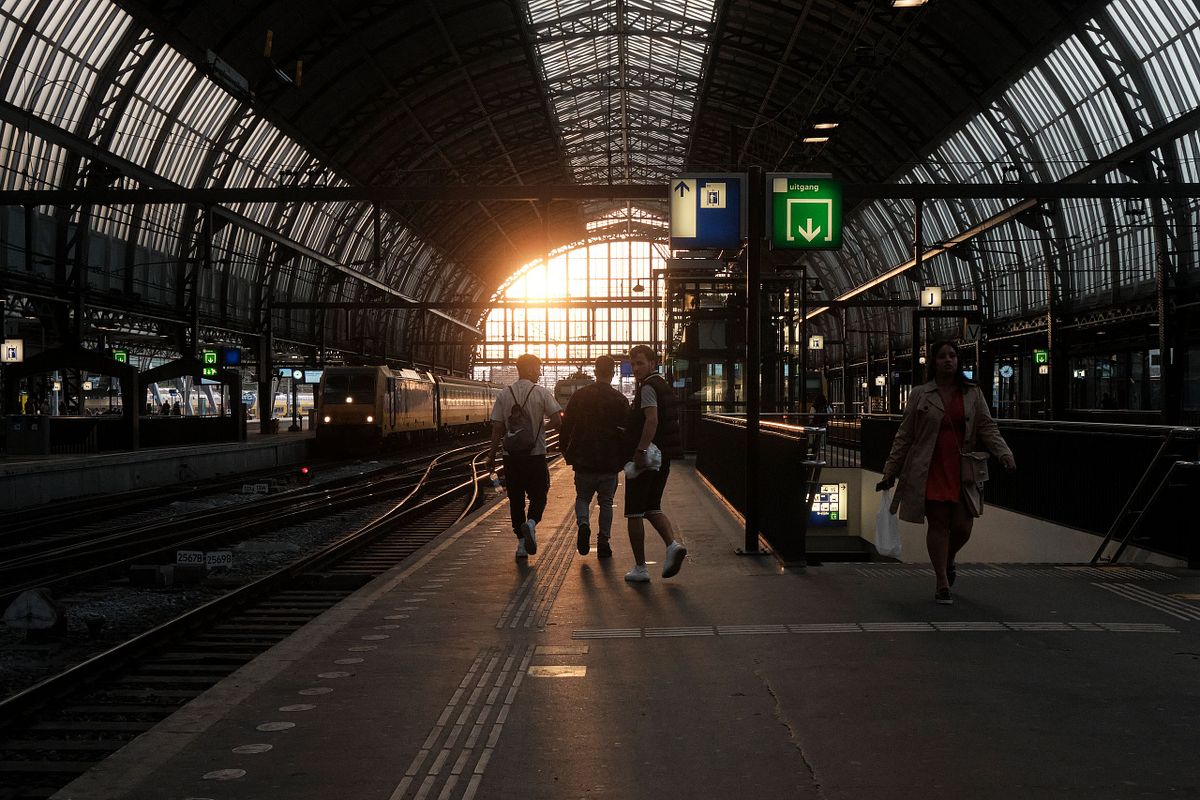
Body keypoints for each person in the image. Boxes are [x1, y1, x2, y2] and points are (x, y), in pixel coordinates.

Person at [876, 340, 1016, 605]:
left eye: (952, 356)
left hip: (963, 468)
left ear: (959, 361)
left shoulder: (973, 393)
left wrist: (1004, 452)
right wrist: (890, 470)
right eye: (942, 356)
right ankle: (942, 581)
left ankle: (948, 558)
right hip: (930, 468)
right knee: (938, 524)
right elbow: (904, 436)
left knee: (963, 526)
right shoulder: (920, 394)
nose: (948, 360)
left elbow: (987, 426)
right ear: (934, 362)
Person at [487, 354, 563, 560]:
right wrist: (540, 430)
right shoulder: (541, 393)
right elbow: (557, 420)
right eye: (538, 368)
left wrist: (491, 455)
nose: (540, 372)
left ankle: (521, 545)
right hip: (535, 455)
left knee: (516, 499)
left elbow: (497, 428)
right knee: (540, 493)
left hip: (510, 457)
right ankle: (531, 523)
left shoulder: (504, 394)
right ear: (529, 369)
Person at [622, 345, 687, 583]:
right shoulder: (663, 385)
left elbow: (652, 420)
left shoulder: (648, 387)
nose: (636, 368)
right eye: (633, 364)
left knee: (634, 512)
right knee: (652, 506)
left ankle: (640, 567)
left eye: (640, 363)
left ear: (652, 363)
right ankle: (672, 546)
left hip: (647, 458)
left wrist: (639, 450)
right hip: (663, 457)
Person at [560, 355, 629, 558]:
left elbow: (567, 427)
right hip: (609, 460)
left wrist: (566, 451)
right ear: (613, 373)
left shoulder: (580, 396)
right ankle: (604, 542)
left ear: (595, 372)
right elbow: (627, 431)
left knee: (582, 497)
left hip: (584, 458)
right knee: (606, 502)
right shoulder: (620, 399)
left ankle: (583, 523)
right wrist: (624, 458)